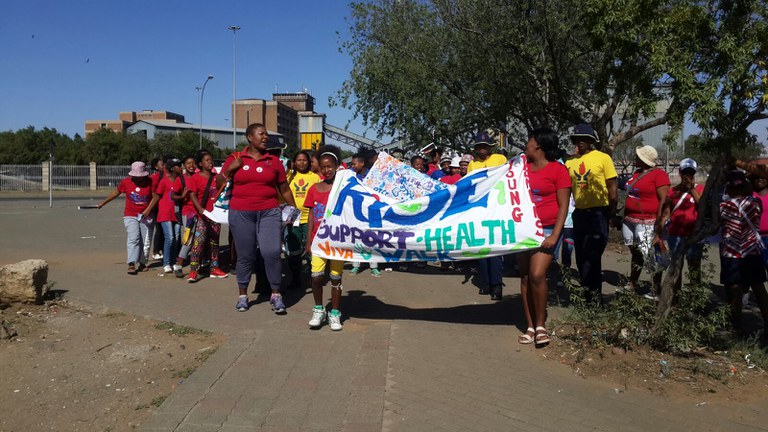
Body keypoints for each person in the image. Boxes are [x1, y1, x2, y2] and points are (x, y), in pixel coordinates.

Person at [222, 123, 297, 313]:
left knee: (271, 252)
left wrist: (294, 208)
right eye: (261, 134)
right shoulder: (236, 158)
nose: (265, 137)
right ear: (249, 137)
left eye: (266, 134)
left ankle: (276, 295)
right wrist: (230, 168)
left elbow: (284, 189)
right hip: (241, 212)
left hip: (269, 212)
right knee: (245, 255)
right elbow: (219, 183)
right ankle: (242, 296)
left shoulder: (274, 161)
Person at [516, 128, 571, 346]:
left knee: (537, 274)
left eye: (529, 140)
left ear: (537, 144)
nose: (526, 144)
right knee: (525, 277)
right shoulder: (521, 170)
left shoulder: (558, 170)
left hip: (547, 231)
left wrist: (556, 234)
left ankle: (541, 325)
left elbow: (564, 206)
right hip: (522, 231)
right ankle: (529, 326)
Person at [564, 124, 617, 304]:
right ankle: (587, 294)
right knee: (580, 257)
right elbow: (566, 191)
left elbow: (612, 189)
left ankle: (595, 298)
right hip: (579, 214)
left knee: (593, 256)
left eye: (584, 139)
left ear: (591, 141)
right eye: (577, 139)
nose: (580, 142)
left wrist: (609, 213)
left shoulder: (603, 158)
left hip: (598, 213)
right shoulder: (569, 162)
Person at [719, 170, 768, 337]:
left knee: (735, 289)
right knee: (759, 287)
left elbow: (717, 220)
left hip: (731, 253)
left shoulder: (724, 206)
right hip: (751, 251)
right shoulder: (756, 203)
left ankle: (737, 326)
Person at [305, 145, 346, 331]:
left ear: (337, 166)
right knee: (316, 276)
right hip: (318, 241)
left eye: (330, 166)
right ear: (318, 168)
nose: (326, 170)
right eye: (323, 166)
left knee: (336, 277)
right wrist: (308, 241)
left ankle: (335, 313)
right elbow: (311, 215)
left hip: (337, 241)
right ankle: (319, 309)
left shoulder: (342, 188)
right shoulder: (313, 189)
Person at [622, 145, 670, 297]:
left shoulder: (659, 175)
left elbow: (664, 200)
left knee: (651, 256)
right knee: (636, 253)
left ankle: (656, 289)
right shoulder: (636, 173)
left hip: (647, 222)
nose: (635, 158)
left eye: (638, 156)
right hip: (630, 220)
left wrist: (660, 223)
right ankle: (633, 283)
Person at [97, 161, 159, 274]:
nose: (137, 179)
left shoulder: (150, 182)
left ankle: (142, 262)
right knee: (134, 238)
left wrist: (148, 210)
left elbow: (155, 197)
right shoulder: (126, 182)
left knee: (145, 241)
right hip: (130, 215)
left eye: (139, 177)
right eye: (135, 176)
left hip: (146, 216)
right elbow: (116, 192)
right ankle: (131, 263)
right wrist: (103, 203)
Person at [467, 132, 508, 299]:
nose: (481, 150)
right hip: (479, 211)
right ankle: (486, 283)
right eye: (478, 147)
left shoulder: (500, 159)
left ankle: (497, 286)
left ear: (490, 147)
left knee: (495, 251)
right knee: (482, 251)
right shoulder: (472, 164)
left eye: (484, 146)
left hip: (497, 209)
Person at [655, 158, 704, 291]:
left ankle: (695, 298)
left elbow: (703, 206)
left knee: (694, 267)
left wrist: (691, 189)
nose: (688, 176)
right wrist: (658, 234)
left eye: (691, 173)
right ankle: (675, 297)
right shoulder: (672, 191)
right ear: (680, 172)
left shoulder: (700, 189)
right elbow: (665, 214)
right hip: (675, 235)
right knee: (676, 267)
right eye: (685, 172)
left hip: (694, 235)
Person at [186, 150, 228, 283]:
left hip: (215, 215)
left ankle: (214, 268)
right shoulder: (195, 178)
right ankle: (193, 271)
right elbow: (192, 195)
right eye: (207, 160)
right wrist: (200, 209)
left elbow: (220, 192)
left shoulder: (217, 177)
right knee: (198, 243)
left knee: (214, 243)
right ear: (200, 164)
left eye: (211, 160)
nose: (210, 162)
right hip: (202, 215)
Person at [286, 150, 322, 288]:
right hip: (292, 219)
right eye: (299, 160)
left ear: (309, 162)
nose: (302, 162)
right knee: (294, 251)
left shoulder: (315, 177)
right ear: (294, 162)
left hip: (310, 219)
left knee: (311, 250)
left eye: (305, 160)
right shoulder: (288, 176)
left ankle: (314, 278)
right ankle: (295, 278)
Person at [349, 150, 382, 277]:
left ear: (362, 164)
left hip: (371, 212)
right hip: (356, 212)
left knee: (372, 238)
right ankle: (355, 265)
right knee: (356, 238)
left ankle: (374, 266)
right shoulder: (350, 175)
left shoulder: (372, 176)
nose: (352, 166)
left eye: (354, 164)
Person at [155, 157, 184, 275]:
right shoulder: (164, 182)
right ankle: (166, 263)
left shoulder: (180, 181)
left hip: (177, 214)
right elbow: (157, 196)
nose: (181, 168)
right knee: (170, 238)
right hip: (165, 213)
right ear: (172, 168)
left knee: (177, 238)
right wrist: (148, 210)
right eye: (178, 166)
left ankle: (173, 261)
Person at [172, 155, 198, 278]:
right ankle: (178, 264)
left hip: (202, 212)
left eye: (193, 163)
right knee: (188, 239)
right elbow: (173, 196)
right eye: (188, 163)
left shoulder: (199, 177)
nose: (191, 165)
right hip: (188, 213)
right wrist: (182, 196)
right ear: (184, 165)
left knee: (199, 240)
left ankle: (197, 265)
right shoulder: (180, 179)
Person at [149, 157, 165, 260]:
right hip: (157, 207)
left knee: (165, 230)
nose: (164, 166)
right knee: (159, 229)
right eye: (162, 165)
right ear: (156, 167)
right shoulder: (153, 178)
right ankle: (155, 251)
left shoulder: (168, 176)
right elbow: (153, 193)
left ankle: (163, 250)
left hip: (166, 206)